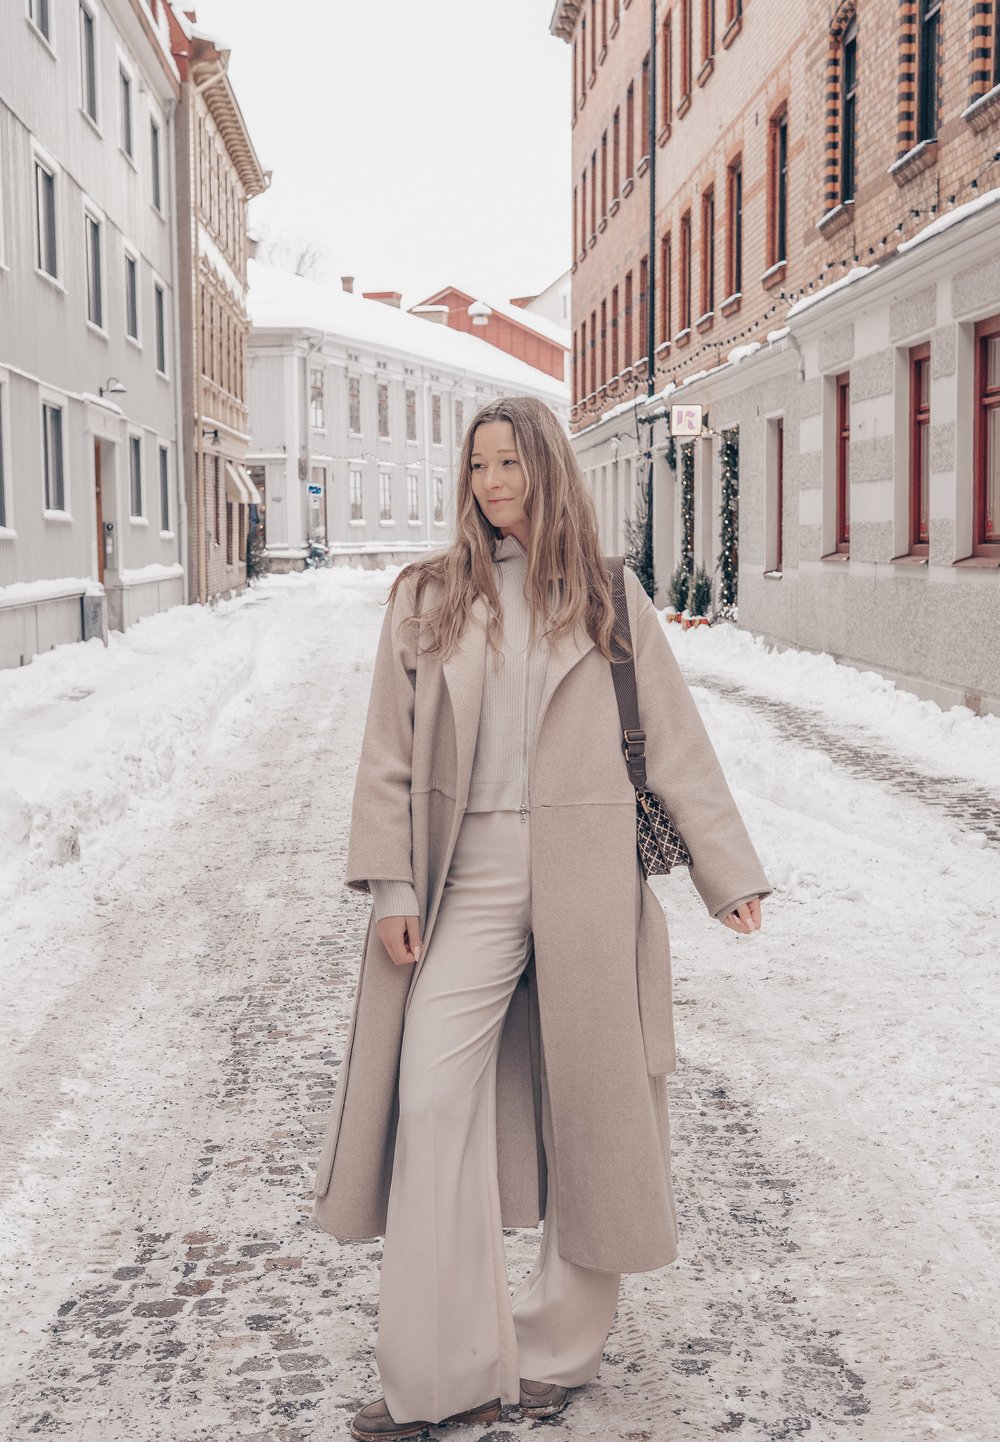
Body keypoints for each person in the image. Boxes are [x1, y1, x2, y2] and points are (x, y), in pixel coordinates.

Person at [311, 395, 772, 1441]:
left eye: (510, 463)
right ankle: (443, 1368)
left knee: (596, 1117)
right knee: (428, 1097)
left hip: (588, 875)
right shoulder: (428, 596)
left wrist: (725, 871)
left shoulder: (608, 597)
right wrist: (390, 884)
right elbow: (386, 753)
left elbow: (675, 741)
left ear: (547, 470)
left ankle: (557, 1350)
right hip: (463, 876)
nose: (492, 483)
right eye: (477, 465)